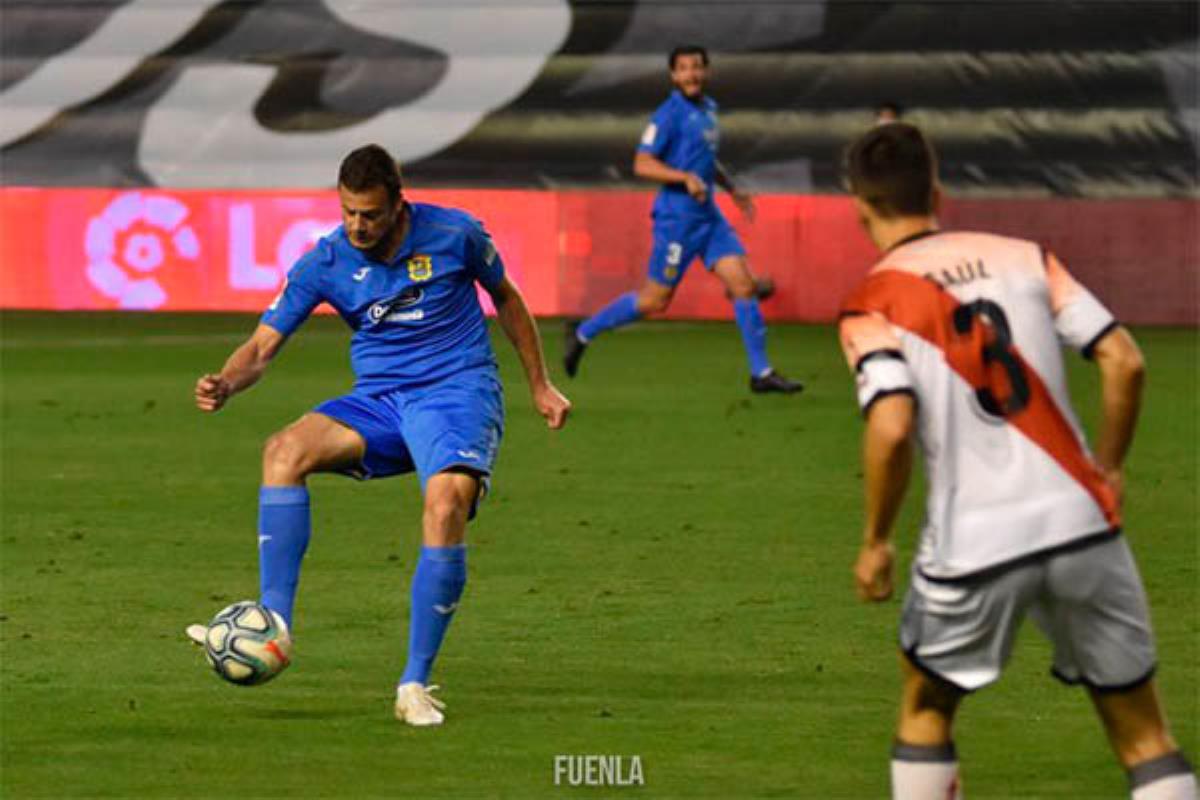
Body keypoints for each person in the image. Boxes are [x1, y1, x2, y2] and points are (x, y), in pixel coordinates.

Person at [837, 122, 1196, 799]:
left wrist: (876, 540)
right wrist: (1109, 467)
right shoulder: (1026, 257)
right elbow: (1123, 359)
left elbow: (890, 426)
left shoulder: (870, 300)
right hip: (1082, 523)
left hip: (974, 540)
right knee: (1145, 735)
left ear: (859, 206)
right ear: (937, 190)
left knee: (926, 709)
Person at [187, 144, 571, 726]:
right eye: (348, 213)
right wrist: (227, 382)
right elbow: (263, 345)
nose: (357, 226)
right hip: (380, 402)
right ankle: (274, 625)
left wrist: (540, 385)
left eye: (369, 213)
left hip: (456, 393)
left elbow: (508, 299)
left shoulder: (455, 234)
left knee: (445, 506)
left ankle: (414, 682)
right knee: (283, 451)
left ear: (398, 203)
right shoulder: (326, 261)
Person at [563, 44, 801, 394]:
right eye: (684, 68)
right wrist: (684, 178)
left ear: (706, 72)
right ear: (673, 75)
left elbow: (704, 160)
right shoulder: (667, 116)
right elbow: (642, 163)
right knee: (655, 301)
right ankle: (584, 331)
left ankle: (761, 373)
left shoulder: (708, 109)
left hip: (710, 217)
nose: (691, 74)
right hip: (677, 222)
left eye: (697, 67)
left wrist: (731, 187)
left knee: (744, 285)